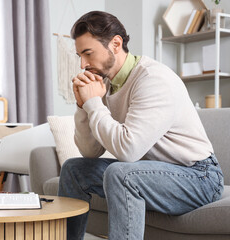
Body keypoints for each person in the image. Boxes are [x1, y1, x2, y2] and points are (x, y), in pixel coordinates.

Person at [58, 11, 224, 240]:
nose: (83, 64)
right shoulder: (104, 83)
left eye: (88, 53)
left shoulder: (153, 79)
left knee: (120, 174)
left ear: (115, 44)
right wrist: (82, 105)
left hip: (199, 176)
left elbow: (128, 150)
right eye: (79, 55)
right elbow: (89, 151)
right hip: (152, 172)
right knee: (73, 170)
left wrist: (94, 103)